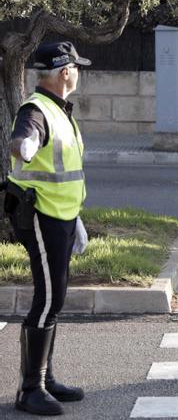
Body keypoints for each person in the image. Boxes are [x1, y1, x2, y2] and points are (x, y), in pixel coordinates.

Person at [6, 41, 91, 415]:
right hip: (41, 216)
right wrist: (23, 145)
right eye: (76, 67)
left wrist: (78, 220)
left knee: (53, 299)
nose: (78, 73)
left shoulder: (61, 112)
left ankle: (46, 379)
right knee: (49, 300)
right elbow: (25, 138)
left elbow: (65, 174)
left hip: (62, 217)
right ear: (64, 72)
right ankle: (30, 389)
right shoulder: (37, 110)